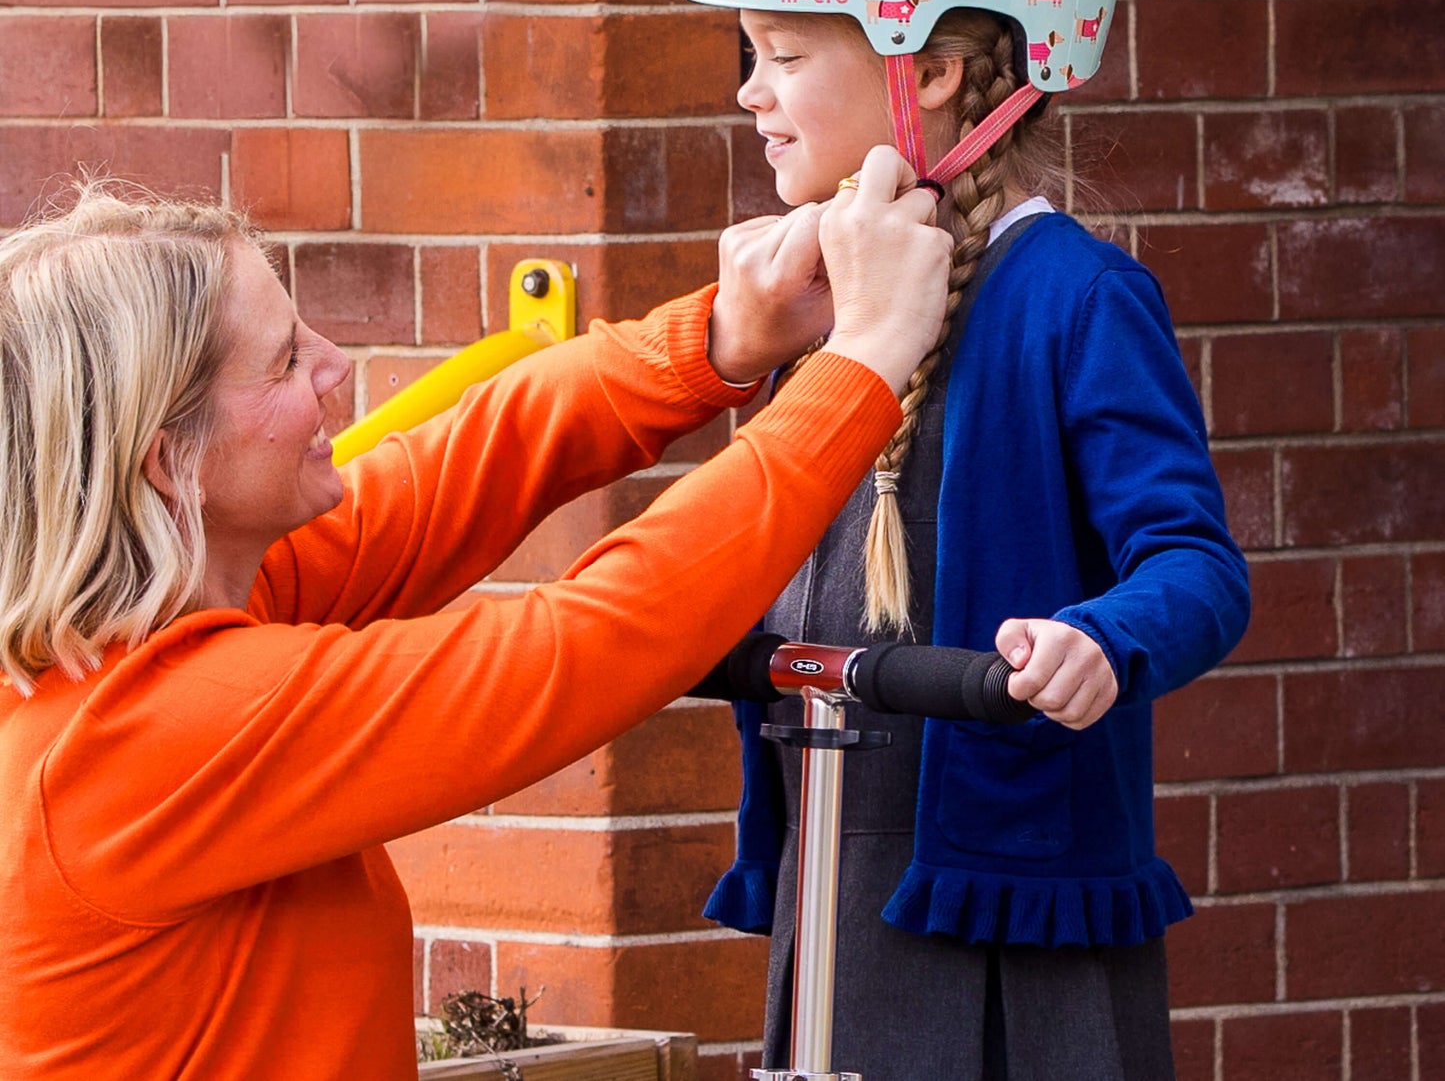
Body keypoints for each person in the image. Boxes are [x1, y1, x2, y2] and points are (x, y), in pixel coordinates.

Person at [0, 156, 952, 1081]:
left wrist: (719, 338)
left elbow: (452, 476)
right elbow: (579, 647)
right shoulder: (147, 732)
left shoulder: (145, 621)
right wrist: (862, 363)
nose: (335, 366)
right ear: (171, 461)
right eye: (287, 359)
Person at [685, 0, 1251, 1080]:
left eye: (781, 52)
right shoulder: (817, 295)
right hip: (841, 837)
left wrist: (1100, 638)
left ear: (929, 69)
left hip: (1003, 883)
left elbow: (1196, 564)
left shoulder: (1073, 298)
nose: (750, 95)